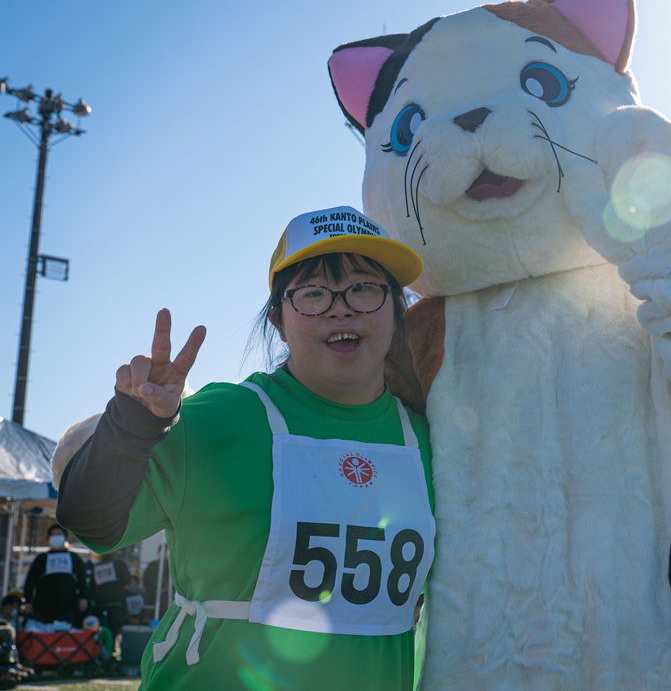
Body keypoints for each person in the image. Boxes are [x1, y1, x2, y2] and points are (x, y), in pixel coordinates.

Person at [55, 206, 435, 691]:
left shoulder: (431, 441)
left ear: (398, 309)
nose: (342, 308)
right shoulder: (221, 418)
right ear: (278, 319)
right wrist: (130, 425)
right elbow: (90, 524)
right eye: (314, 293)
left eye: (365, 288)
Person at [22, 524, 89, 629]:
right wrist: (28, 601)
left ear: (65, 537)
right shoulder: (41, 559)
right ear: (48, 538)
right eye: (53, 534)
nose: (56, 536)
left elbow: (82, 580)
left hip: (68, 607)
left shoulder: (74, 558)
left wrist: (83, 597)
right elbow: (30, 582)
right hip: (44, 608)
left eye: (59, 534)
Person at [90, 550, 131, 648]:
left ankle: (100, 650)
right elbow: (126, 579)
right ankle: (113, 651)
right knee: (115, 629)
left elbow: (92, 585)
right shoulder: (119, 564)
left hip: (99, 604)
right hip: (115, 603)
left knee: (99, 629)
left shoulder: (96, 566)